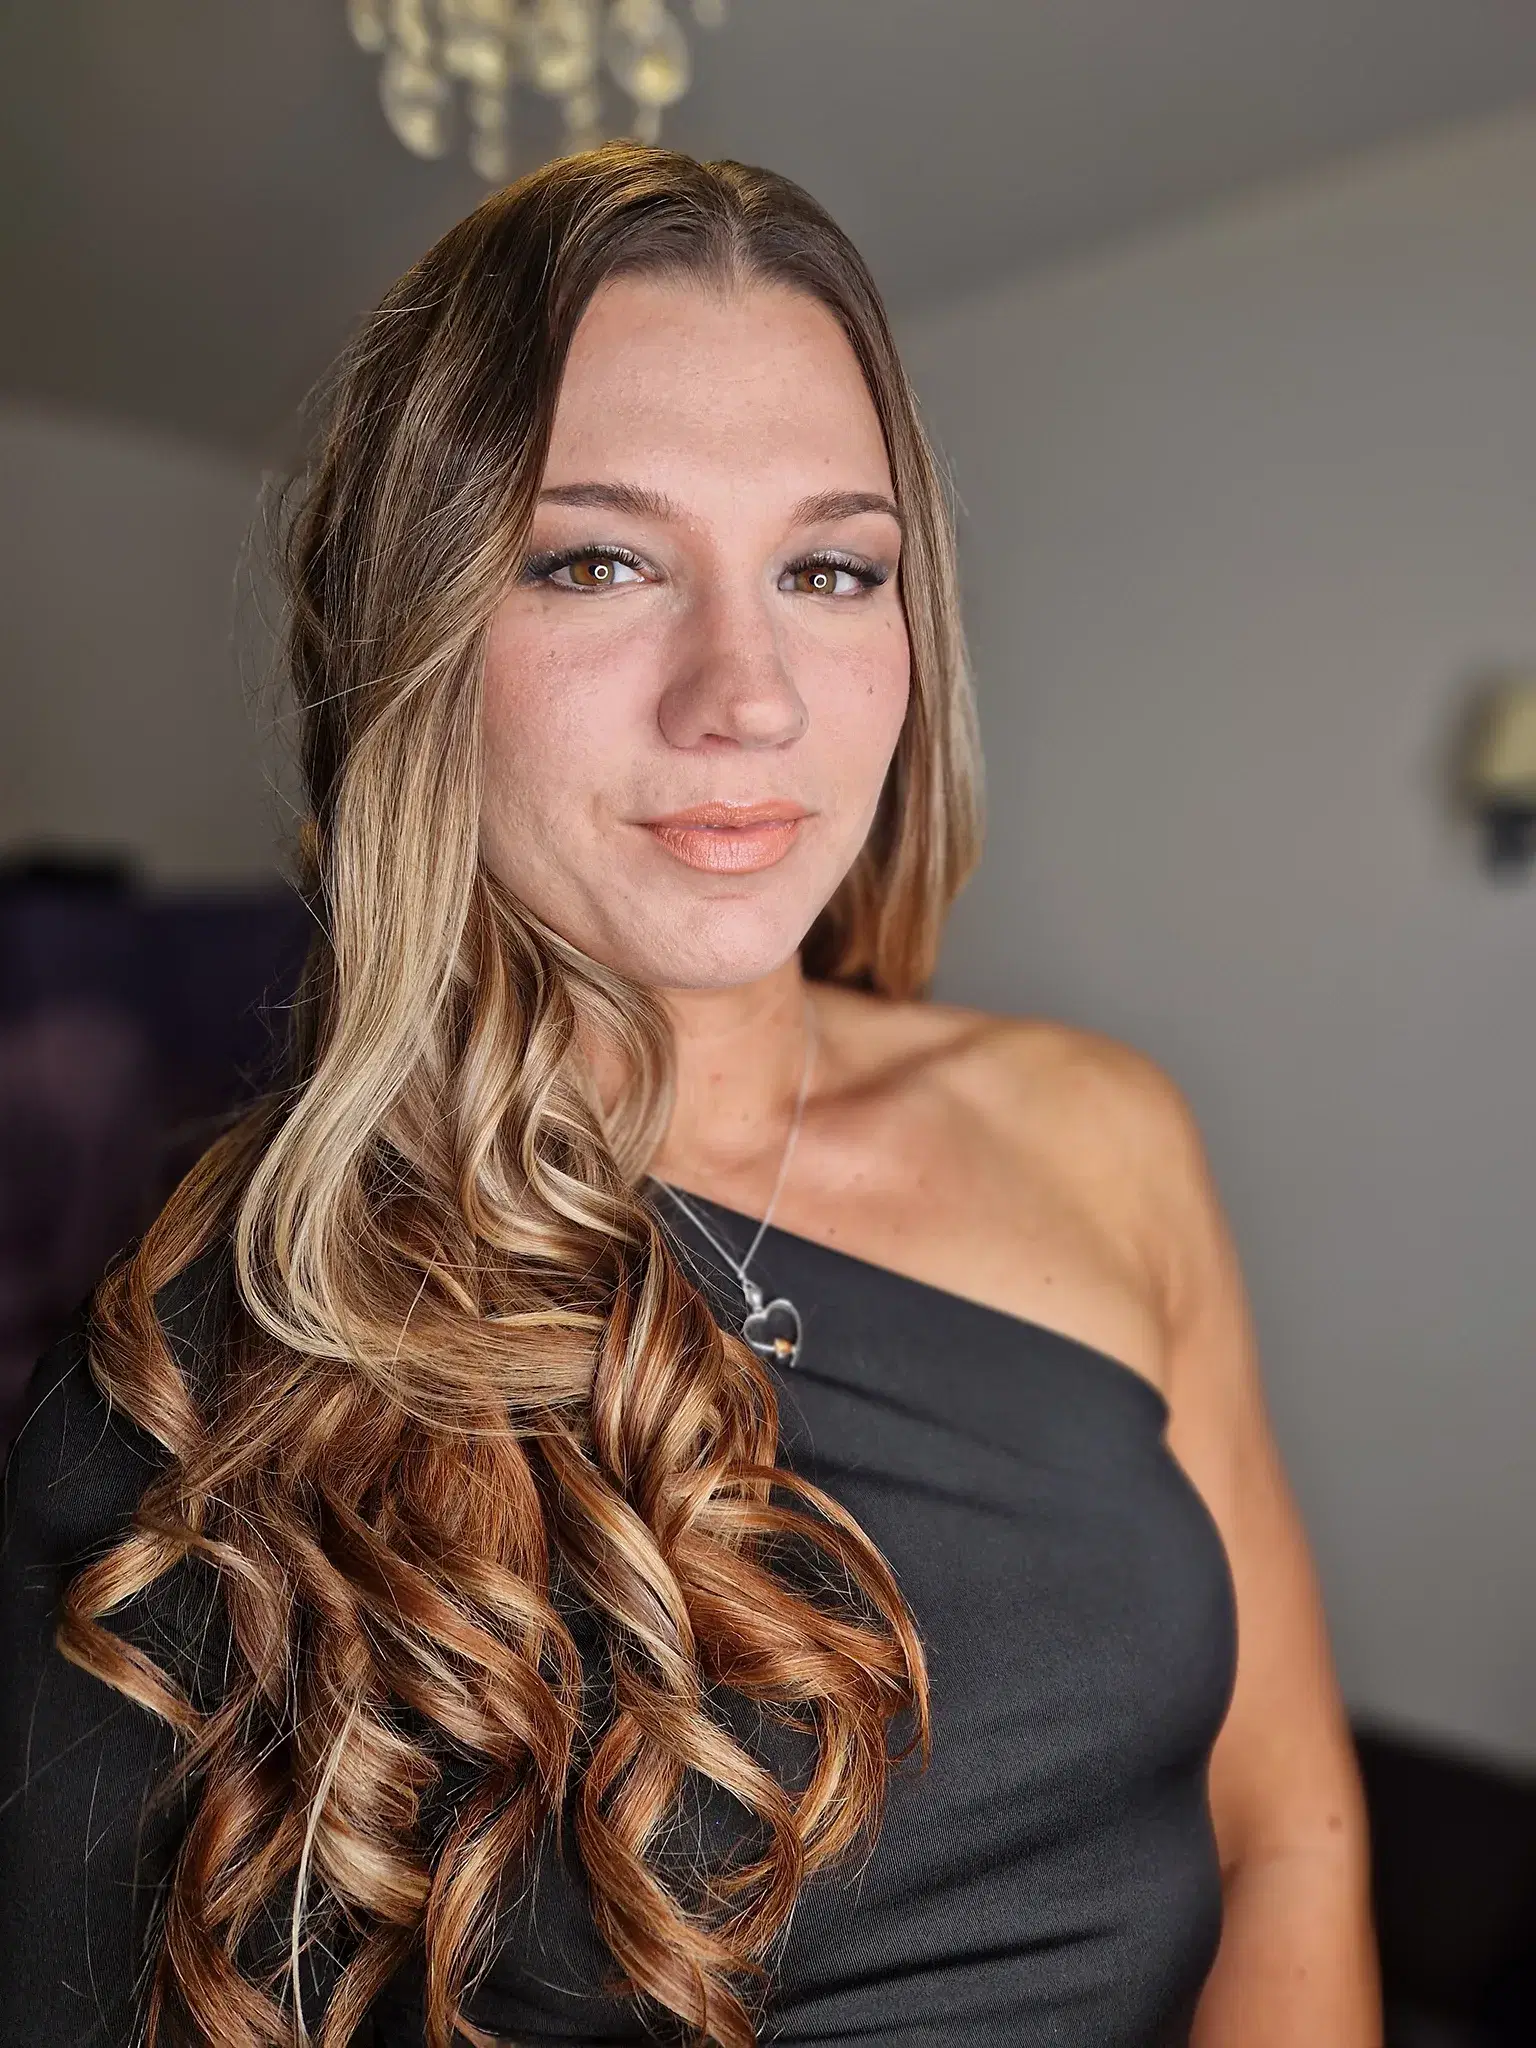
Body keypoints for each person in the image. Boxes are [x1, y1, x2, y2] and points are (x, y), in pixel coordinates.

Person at [0, 144, 1380, 2048]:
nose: (747, 695)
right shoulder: (195, 1382)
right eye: (600, 561)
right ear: (415, 634)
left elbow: (1289, 1830)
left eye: (830, 568)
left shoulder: (1105, 1138)